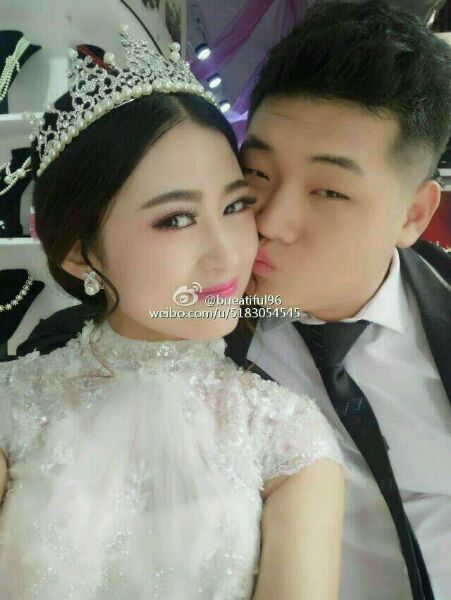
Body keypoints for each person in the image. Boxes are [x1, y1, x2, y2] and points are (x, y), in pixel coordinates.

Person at [15, 1, 451, 600]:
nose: (267, 221)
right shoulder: (105, 346)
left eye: (328, 190)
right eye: (256, 179)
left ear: (413, 214)